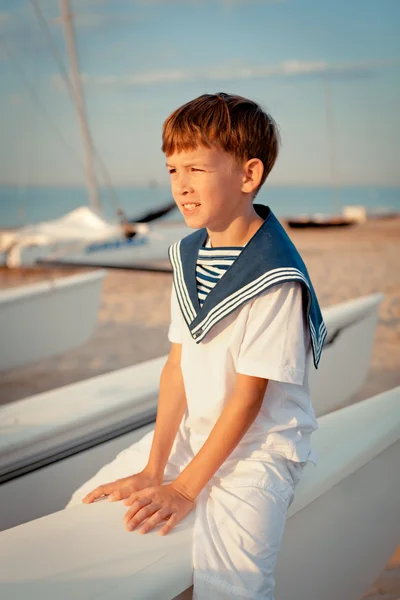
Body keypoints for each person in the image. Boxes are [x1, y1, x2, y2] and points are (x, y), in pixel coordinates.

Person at [66, 93, 326, 600]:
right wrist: (155, 467)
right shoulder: (189, 254)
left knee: (231, 582)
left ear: (248, 176)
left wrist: (186, 489)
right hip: (195, 432)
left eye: (197, 169)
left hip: (259, 450)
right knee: (86, 505)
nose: (180, 185)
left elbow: (249, 398)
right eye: (171, 170)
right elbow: (176, 366)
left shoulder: (274, 276)